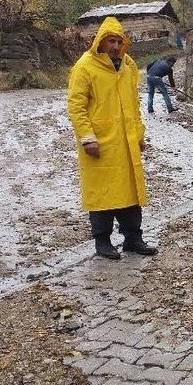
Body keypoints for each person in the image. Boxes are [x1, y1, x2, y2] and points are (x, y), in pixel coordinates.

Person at [67, 16, 157, 259]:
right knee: (103, 194)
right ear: (100, 42)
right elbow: (76, 106)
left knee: (130, 193)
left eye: (119, 41)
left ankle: (133, 238)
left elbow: (134, 104)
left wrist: (139, 135)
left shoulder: (128, 66)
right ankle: (102, 241)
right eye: (111, 41)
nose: (115, 46)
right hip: (100, 143)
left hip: (126, 143)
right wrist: (87, 138)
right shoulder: (85, 66)